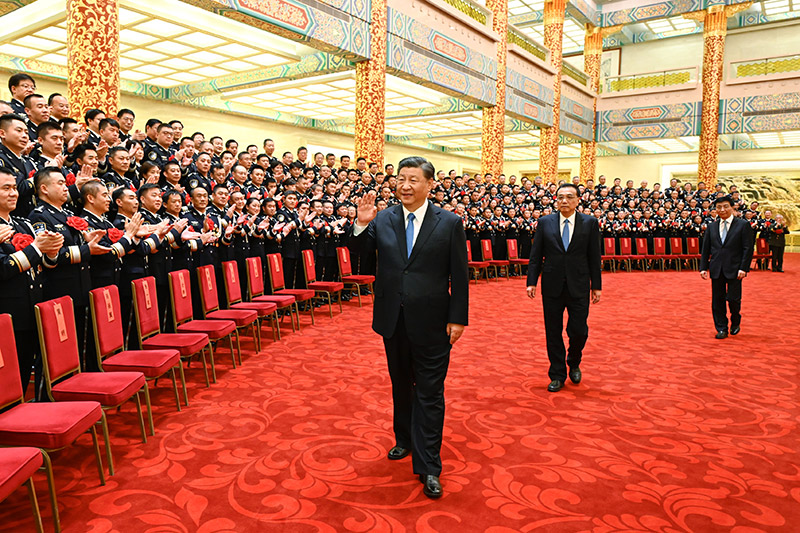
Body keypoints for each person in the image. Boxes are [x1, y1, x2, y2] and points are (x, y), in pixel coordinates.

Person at [351, 156, 468, 500]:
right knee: (401, 383)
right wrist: (360, 225)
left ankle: (429, 465)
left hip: (434, 321)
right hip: (393, 318)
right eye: (401, 178)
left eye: (413, 179)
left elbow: (459, 274)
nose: (405, 185)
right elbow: (361, 258)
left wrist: (458, 317)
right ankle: (404, 438)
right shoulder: (383, 218)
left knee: (430, 392)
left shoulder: (449, 223)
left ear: (429, 184)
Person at [526, 183, 602, 392]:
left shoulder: (589, 223)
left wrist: (596, 285)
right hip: (552, 285)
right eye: (560, 197)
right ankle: (557, 374)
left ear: (578, 200)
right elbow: (536, 255)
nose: (564, 201)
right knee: (553, 331)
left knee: (578, 330)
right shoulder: (545, 222)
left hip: (579, 284)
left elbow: (594, 256)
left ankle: (574, 361)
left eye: (569, 197)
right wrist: (531, 281)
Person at [700, 195, 754, 339]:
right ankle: (721, 328)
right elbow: (706, 248)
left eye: (725, 206)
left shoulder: (743, 225)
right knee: (717, 300)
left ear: (732, 207)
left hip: (735, 269)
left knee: (733, 299)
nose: (722, 210)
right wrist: (703, 267)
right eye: (719, 207)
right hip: (716, 268)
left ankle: (735, 320)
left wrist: (744, 268)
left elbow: (747, 248)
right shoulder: (712, 226)